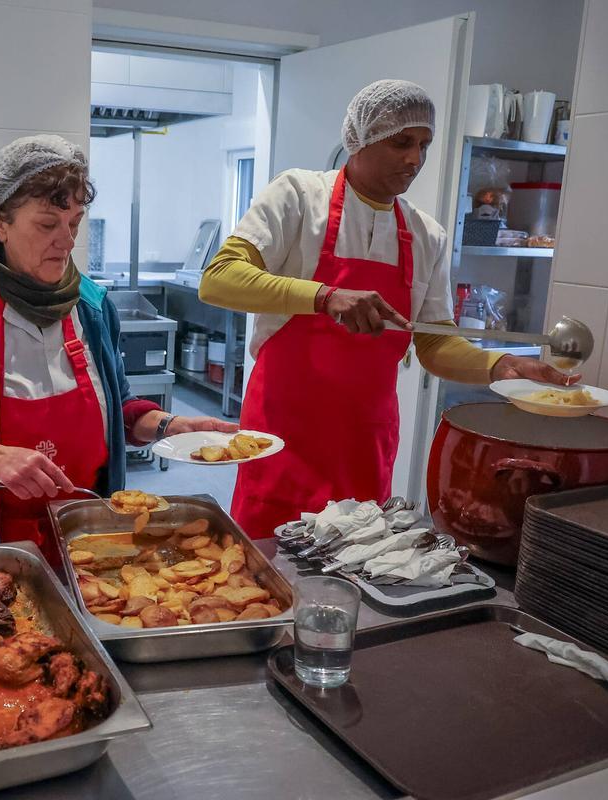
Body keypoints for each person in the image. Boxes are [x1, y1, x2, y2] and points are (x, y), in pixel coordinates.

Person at [199, 80, 577, 538]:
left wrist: (501, 364)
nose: (415, 159)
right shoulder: (299, 197)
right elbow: (218, 278)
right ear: (360, 140)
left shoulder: (426, 236)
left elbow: (437, 346)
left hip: (364, 441)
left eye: (423, 145)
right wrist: (324, 296)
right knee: (267, 567)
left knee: (352, 563)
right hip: (284, 435)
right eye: (401, 143)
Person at [0, 135, 235, 562]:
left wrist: (166, 426)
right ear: (0, 222)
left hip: (91, 551)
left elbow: (117, 408)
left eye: (75, 223)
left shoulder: (92, 306)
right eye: (47, 225)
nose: (66, 240)